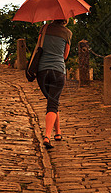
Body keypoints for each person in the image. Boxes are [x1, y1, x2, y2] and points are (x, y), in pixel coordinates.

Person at [36, 19, 72, 149]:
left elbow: (39, 46)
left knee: (53, 101)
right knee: (52, 104)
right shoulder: (67, 33)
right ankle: (47, 136)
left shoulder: (44, 29)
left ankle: (58, 132)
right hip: (58, 71)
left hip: (42, 72)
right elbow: (65, 56)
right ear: (66, 19)